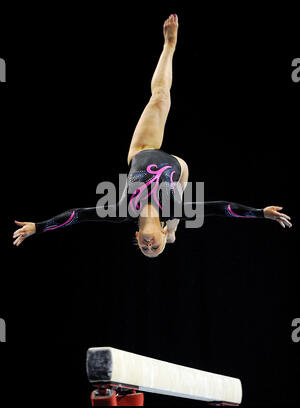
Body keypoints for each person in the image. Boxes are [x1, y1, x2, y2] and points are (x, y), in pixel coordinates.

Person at [12, 14, 292, 257]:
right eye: (155, 247)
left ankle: (168, 46)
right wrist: (260, 213)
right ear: (157, 234)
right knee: (181, 195)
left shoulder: (122, 211)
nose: (148, 246)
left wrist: (38, 227)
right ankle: (174, 229)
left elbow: (77, 216)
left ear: (137, 238)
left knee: (159, 97)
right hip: (177, 167)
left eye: (145, 248)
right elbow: (223, 208)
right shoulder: (175, 207)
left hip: (142, 149)